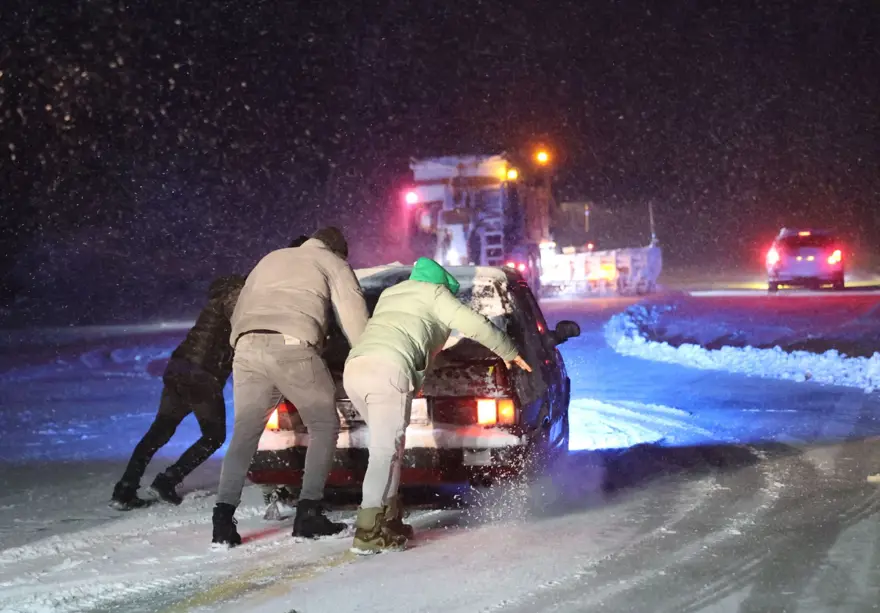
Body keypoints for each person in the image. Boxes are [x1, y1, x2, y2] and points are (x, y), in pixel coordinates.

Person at [343, 257, 532, 553]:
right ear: (439, 283)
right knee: (384, 452)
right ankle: (367, 530)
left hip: (355, 369)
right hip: (388, 371)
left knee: (390, 449)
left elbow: (408, 335)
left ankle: (389, 519)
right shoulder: (434, 294)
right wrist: (507, 350)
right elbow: (474, 323)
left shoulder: (391, 294)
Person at [212, 227, 368, 547]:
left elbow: (241, 307)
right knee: (324, 425)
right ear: (338, 251)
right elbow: (354, 318)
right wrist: (366, 355)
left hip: (245, 347)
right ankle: (309, 512)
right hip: (291, 346)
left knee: (244, 433)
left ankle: (222, 520)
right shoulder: (332, 263)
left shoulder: (271, 258)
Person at [110, 275, 246, 510]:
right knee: (214, 436)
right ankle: (167, 481)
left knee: (159, 431)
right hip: (201, 375)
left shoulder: (219, 300)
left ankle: (124, 490)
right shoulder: (235, 299)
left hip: (179, 369)